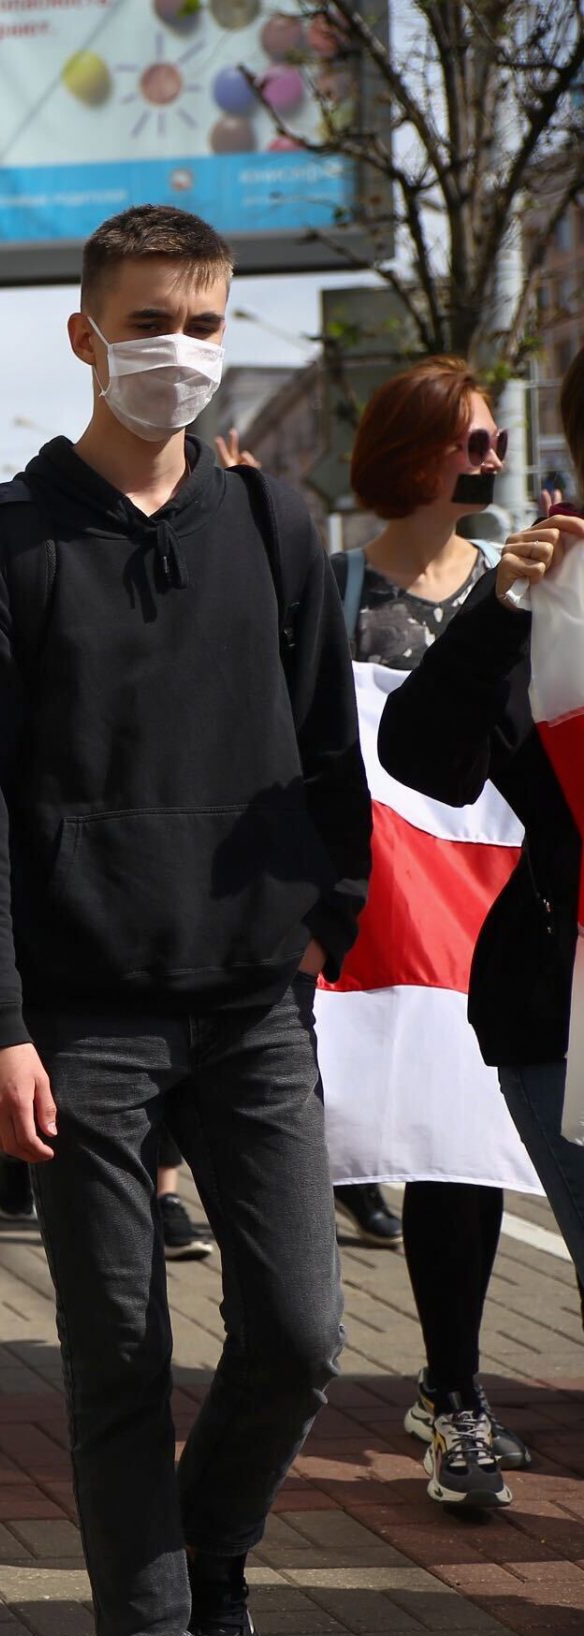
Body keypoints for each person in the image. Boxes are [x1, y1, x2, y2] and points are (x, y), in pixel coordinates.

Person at [0, 204, 369, 1636]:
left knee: (303, 1330)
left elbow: (327, 743)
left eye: (203, 321)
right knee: (119, 1355)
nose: (178, 351)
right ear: (85, 336)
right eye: (149, 322)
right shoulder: (0, 548)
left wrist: (334, 908)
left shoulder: (274, 523)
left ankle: (210, 1551)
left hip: (253, 1002)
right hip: (82, 1019)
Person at [359, 355, 576, 1511]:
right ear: (406, 450)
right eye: (469, 441)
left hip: (494, 915)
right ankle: (298, 1359)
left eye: (499, 440)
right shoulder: (332, 594)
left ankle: (454, 1391)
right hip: (369, 925)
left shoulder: (538, 580)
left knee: (459, 1150)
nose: (493, 459)